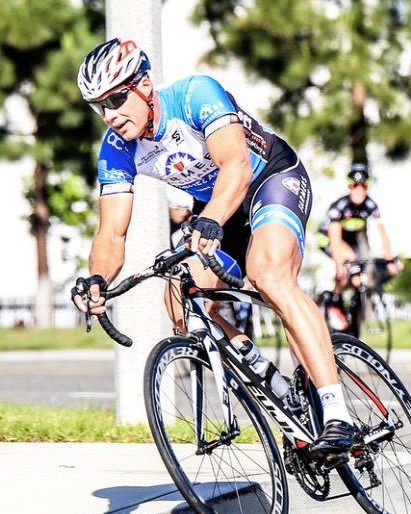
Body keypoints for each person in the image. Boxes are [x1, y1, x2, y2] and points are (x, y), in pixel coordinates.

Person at [70, 37, 359, 455]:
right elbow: (111, 233)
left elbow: (236, 166)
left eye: (116, 99)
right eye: (99, 106)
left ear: (144, 84)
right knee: (179, 300)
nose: (109, 115)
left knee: (269, 276)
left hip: (268, 179)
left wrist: (210, 219)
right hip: (219, 209)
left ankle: (337, 414)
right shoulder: (116, 149)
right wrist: (97, 278)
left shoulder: (194, 95)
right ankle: (273, 383)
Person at [319, 163, 402, 330]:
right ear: (349, 187)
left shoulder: (370, 205)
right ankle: (334, 301)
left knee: (358, 280)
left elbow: (383, 234)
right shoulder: (340, 206)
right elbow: (335, 238)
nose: (358, 189)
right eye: (354, 185)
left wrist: (390, 259)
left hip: (350, 241)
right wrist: (339, 264)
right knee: (347, 262)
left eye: (363, 185)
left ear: (367, 187)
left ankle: (353, 323)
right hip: (328, 238)